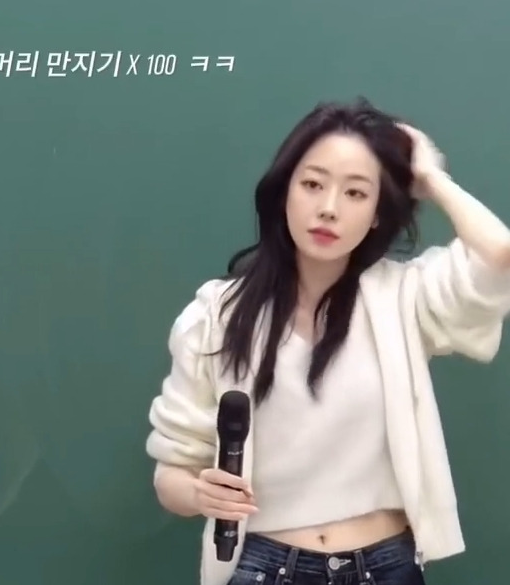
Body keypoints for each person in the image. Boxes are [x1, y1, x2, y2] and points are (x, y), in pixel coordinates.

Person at [145, 98, 510, 585]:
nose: (329, 209)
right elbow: (171, 475)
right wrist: (199, 495)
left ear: (377, 213)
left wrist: (431, 179)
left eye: (356, 193)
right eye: (313, 184)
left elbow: (500, 255)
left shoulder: (406, 297)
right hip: (264, 567)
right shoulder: (217, 316)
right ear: (285, 191)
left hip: (385, 566)